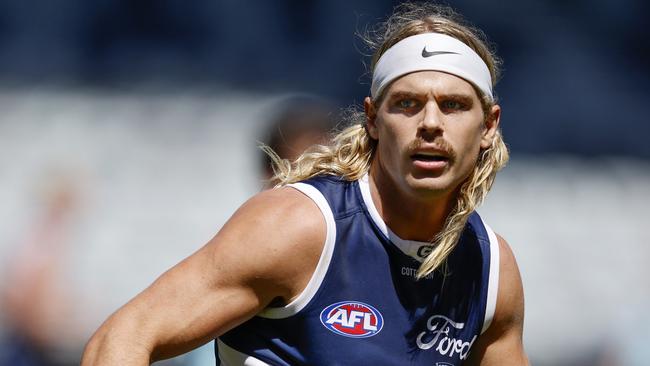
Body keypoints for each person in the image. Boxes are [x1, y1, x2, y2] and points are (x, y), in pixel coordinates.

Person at [81, 3, 528, 365]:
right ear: (372, 119)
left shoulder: (489, 271)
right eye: (407, 104)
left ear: (489, 125)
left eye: (453, 105)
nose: (430, 124)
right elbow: (120, 341)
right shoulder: (300, 229)